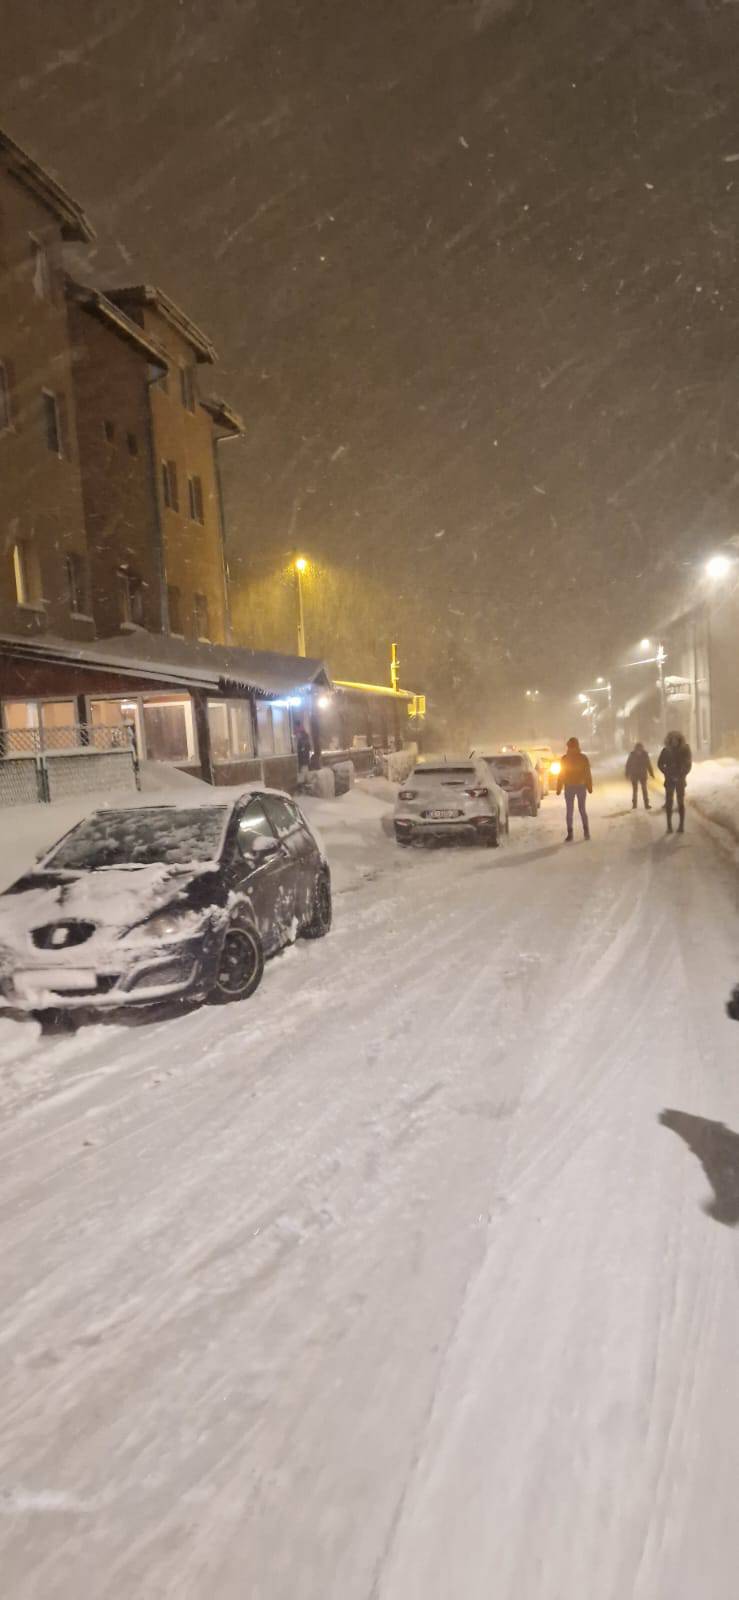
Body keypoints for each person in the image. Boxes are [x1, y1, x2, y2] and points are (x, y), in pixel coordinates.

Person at [556, 736, 593, 842]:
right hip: (580, 786)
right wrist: (589, 786)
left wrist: (559, 787)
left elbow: (561, 774)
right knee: (581, 810)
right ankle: (586, 832)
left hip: (570, 787)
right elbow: (587, 774)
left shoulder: (565, 758)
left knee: (570, 811)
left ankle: (570, 833)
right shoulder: (583, 758)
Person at [657, 729, 692, 834]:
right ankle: (669, 826)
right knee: (669, 803)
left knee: (680, 802)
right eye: (672, 739)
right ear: (669, 740)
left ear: (679, 740)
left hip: (680, 780)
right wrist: (666, 772)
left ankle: (681, 826)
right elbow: (659, 764)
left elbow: (688, 764)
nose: (674, 741)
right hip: (669, 780)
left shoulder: (685, 749)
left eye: (676, 739)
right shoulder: (666, 751)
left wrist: (682, 774)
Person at [625, 742, 654, 810]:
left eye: (640, 749)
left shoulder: (645, 754)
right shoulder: (632, 754)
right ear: (636, 749)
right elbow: (628, 764)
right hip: (634, 774)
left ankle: (646, 804)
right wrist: (627, 773)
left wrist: (651, 773)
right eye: (638, 749)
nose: (639, 750)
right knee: (635, 790)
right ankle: (634, 805)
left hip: (642, 774)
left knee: (644, 789)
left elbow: (648, 764)